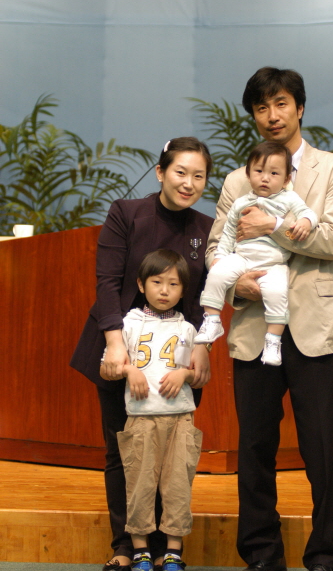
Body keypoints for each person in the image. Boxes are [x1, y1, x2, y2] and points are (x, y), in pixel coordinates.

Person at [206, 67, 333, 571]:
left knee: (323, 450)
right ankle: (261, 556)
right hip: (256, 326)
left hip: (317, 326)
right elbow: (215, 249)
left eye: (281, 104)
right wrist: (237, 285)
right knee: (254, 448)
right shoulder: (238, 180)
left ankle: (326, 558)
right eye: (261, 107)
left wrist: (273, 224)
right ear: (253, 116)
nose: (272, 115)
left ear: (299, 108)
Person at [70, 137, 214, 571]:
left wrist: (202, 347)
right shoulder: (127, 213)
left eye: (199, 176)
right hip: (122, 352)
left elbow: (207, 297)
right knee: (124, 451)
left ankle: (167, 548)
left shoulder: (207, 228)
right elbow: (107, 282)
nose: (188, 183)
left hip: (176, 361)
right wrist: (115, 345)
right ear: (160, 172)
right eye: (180, 172)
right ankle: (126, 547)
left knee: (170, 456)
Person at [114, 249, 202, 571]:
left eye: (173, 284)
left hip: (180, 419)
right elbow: (108, 367)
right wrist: (129, 370)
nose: (165, 291)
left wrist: (184, 375)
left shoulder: (188, 329)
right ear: (141, 284)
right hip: (141, 419)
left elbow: (199, 374)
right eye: (157, 282)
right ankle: (141, 551)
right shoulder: (128, 324)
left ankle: (173, 552)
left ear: (183, 290)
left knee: (178, 485)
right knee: (140, 485)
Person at [194, 141, 317, 365]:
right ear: (248, 174)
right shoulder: (241, 202)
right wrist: (220, 256)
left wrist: (306, 222)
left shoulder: (289, 198)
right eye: (259, 171)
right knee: (216, 273)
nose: (265, 178)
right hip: (241, 258)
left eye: (274, 173)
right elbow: (228, 232)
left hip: (273, 263)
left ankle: (273, 341)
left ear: (286, 179)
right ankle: (212, 320)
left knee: (277, 293)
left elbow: (308, 213)